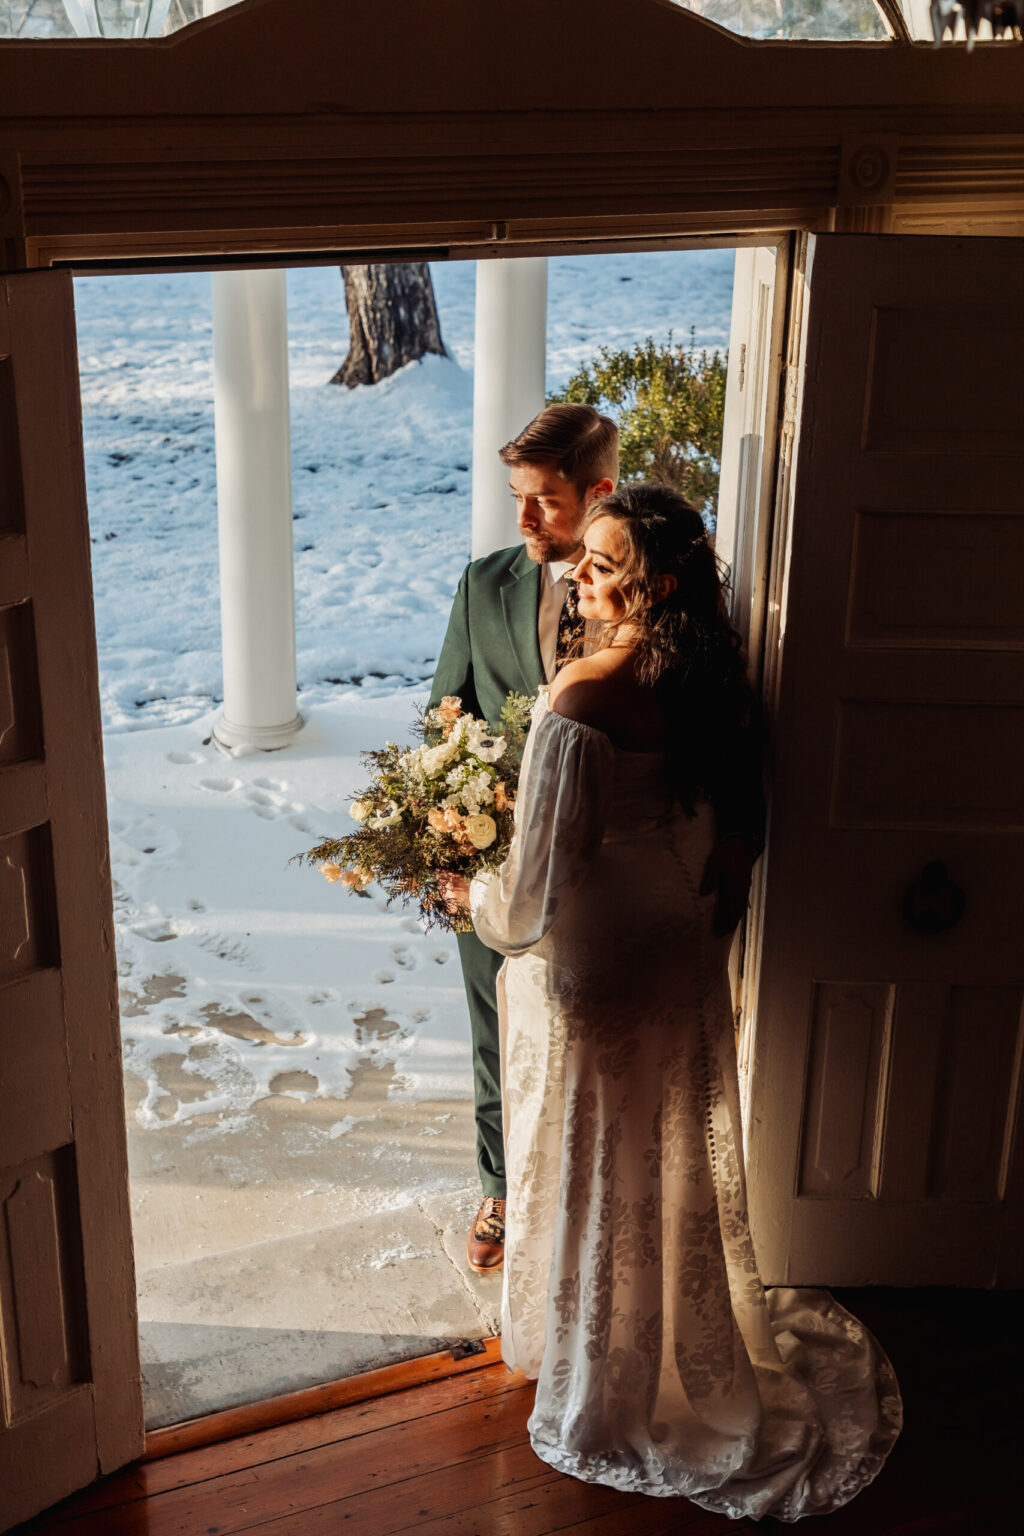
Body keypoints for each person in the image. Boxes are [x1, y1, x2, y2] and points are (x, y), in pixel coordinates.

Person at [448, 484, 902, 1520]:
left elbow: (533, 893)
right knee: (658, 1150)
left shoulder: (582, 697)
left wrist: (464, 893)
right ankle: (655, 1337)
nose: (577, 575)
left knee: (600, 1149)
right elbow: (732, 815)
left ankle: (605, 1380)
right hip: (680, 936)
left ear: (650, 583)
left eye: (600, 564)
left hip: (605, 951)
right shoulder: (706, 674)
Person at [428, 403, 619, 1273]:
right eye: (515, 497)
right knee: (491, 1026)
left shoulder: (644, 594)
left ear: (599, 492)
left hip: (616, 867)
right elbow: (445, 715)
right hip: (494, 859)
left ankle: (593, 1195)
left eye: (544, 500)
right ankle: (501, 1185)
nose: (524, 519)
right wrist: (439, 834)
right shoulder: (484, 583)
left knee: (600, 1036)